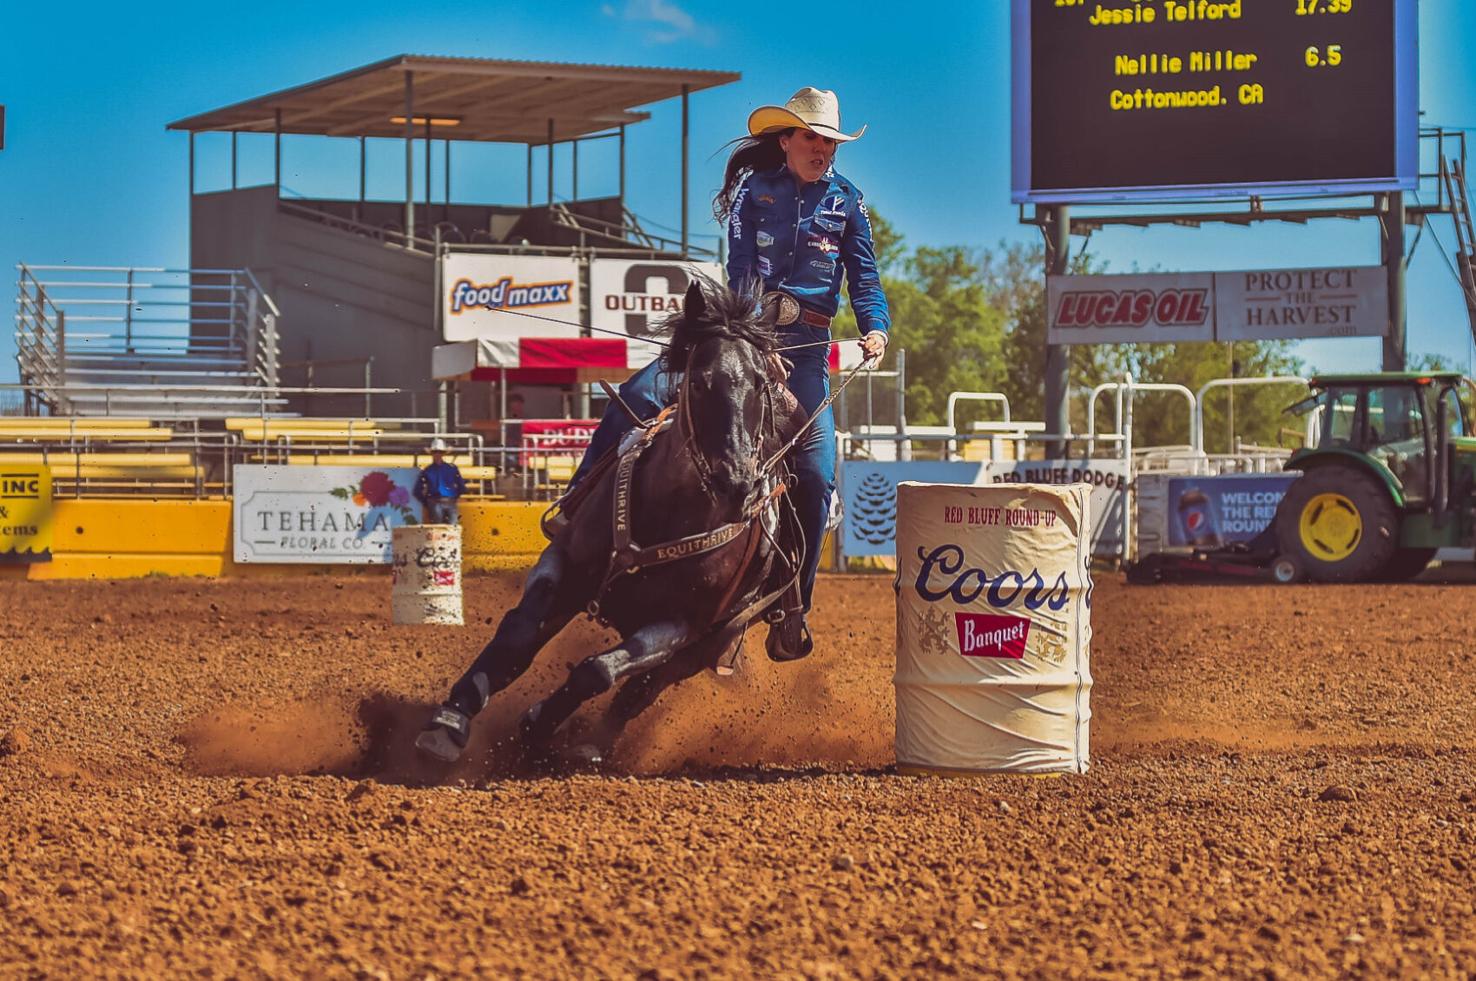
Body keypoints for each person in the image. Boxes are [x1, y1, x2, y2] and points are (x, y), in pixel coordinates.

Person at [564, 87, 891, 660]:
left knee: (815, 477)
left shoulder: (849, 201)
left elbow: (865, 278)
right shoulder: (753, 192)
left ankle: (795, 606)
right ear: (786, 140)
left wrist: (877, 329)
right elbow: (740, 272)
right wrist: (749, 343)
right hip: (745, 343)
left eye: (830, 141)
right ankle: (573, 507)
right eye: (812, 137)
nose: (822, 149)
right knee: (637, 394)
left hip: (808, 356)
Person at [415, 438, 467, 525]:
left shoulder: (430, 470)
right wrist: (427, 502)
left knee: (451, 528)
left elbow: (461, 486)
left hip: (447, 501)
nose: (437, 454)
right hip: (437, 501)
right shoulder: (429, 470)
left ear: (443, 454)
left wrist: (426, 502)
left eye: (440, 452)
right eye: (435, 452)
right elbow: (417, 490)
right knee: (443, 527)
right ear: (432, 454)